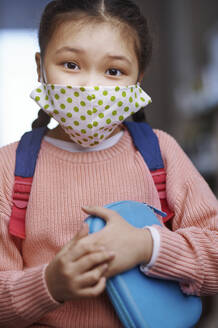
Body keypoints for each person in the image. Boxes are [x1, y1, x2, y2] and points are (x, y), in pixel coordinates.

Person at [0, 0, 217, 327]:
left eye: (114, 71)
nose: (90, 88)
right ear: (40, 66)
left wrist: (148, 246)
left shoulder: (161, 152)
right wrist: (48, 284)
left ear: (137, 80)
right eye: (71, 65)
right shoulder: (9, 167)